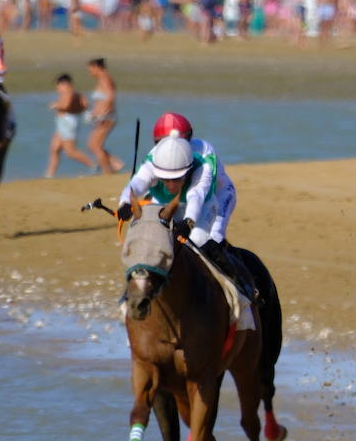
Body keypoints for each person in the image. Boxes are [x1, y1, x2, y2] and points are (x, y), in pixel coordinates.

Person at [116, 131, 256, 300]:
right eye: (165, 179)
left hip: (203, 207)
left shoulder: (202, 168)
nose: (171, 185)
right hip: (169, 206)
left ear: (188, 171)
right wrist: (124, 203)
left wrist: (189, 221)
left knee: (199, 241)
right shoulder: (150, 165)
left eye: (177, 179)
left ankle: (241, 290)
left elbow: (196, 196)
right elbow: (135, 185)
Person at [46, 74, 96, 176]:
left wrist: (56, 105)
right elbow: (85, 105)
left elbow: (66, 105)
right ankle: (49, 174)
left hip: (66, 122)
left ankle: (93, 165)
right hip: (66, 121)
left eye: (58, 85)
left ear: (64, 83)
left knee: (70, 151)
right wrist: (76, 110)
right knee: (55, 148)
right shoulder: (76, 92)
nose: (57, 88)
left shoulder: (68, 91)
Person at [85, 58, 124, 174]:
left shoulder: (104, 79)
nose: (90, 72)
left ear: (97, 67)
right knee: (93, 145)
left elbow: (110, 96)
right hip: (103, 117)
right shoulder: (103, 78)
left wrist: (103, 113)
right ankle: (115, 164)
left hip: (106, 117)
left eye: (91, 69)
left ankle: (107, 171)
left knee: (95, 146)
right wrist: (94, 113)